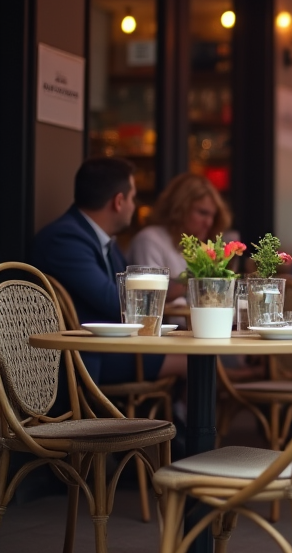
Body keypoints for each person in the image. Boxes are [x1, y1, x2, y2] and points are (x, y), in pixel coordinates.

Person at [31, 158, 164, 384]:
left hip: (109, 347)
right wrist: (161, 296)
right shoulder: (65, 239)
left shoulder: (101, 240)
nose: (135, 206)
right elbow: (116, 301)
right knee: (191, 359)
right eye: (133, 198)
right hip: (82, 357)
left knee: (196, 356)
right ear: (119, 202)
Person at [128, 172, 232, 301]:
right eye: (202, 213)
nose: (209, 223)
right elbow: (149, 296)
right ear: (180, 208)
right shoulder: (149, 239)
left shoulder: (201, 248)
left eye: (213, 216)